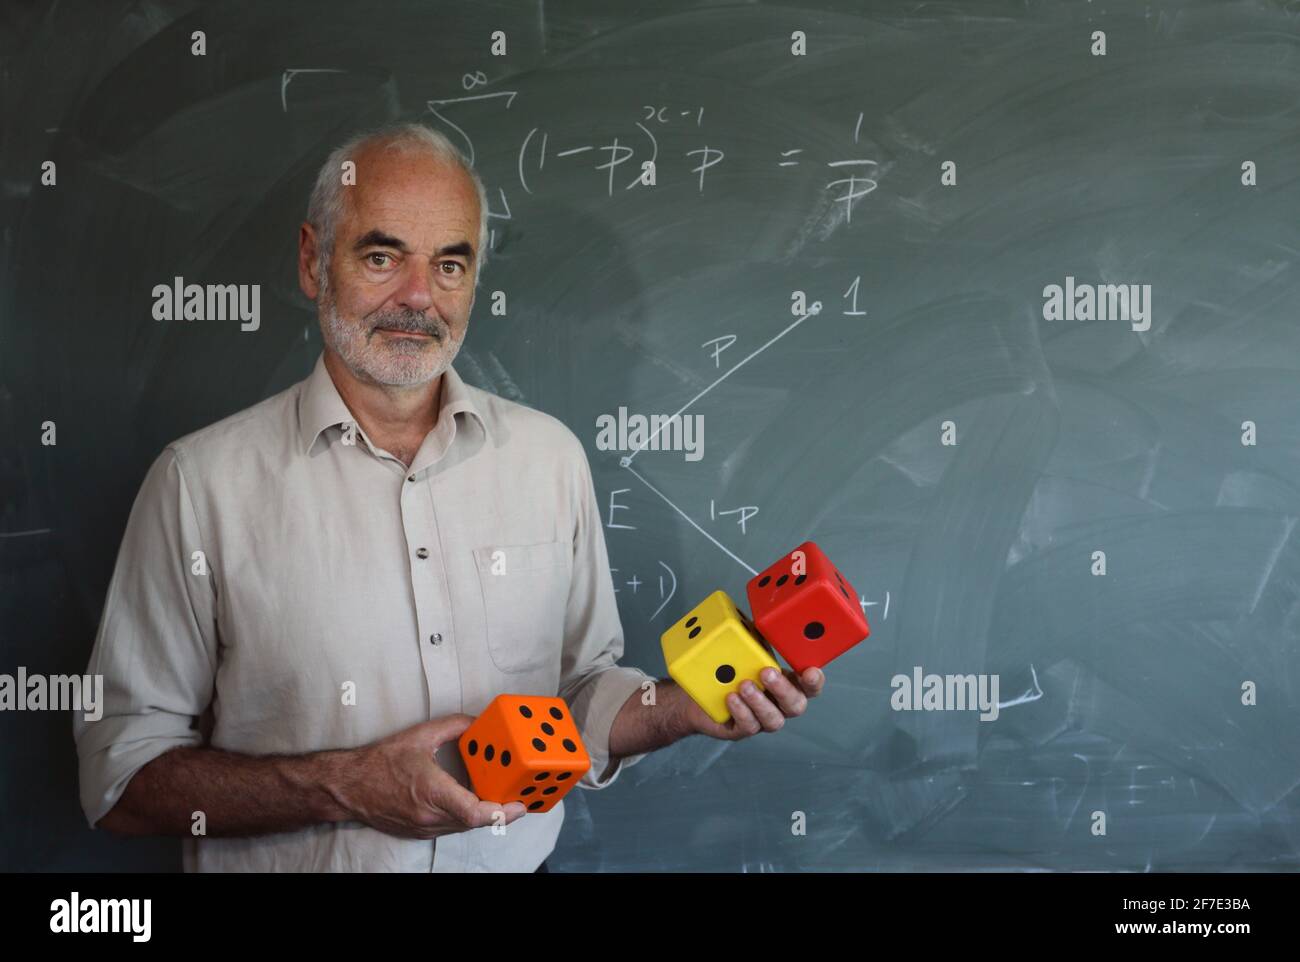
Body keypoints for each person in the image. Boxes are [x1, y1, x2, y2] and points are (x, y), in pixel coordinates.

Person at [73, 121, 825, 872]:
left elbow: (579, 697)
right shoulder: (199, 485)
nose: (417, 298)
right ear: (312, 262)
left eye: (450, 265)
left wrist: (680, 709)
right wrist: (342, 786)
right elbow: (120, 780)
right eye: (381, 257)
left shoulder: (549, 459)